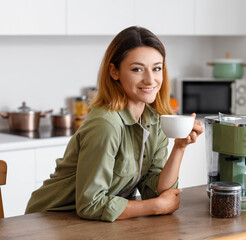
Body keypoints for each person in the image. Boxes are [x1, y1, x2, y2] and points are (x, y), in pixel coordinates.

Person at [25, 26, 204, 222]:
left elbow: (155, 192)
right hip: (50, 220)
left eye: (156, 68)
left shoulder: (154, 120)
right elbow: (90, 204)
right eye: (137, 69)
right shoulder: (106, 124)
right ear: (114, 71)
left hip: (95, 223)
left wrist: (179, 147)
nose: (150, 79)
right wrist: (153, 207)